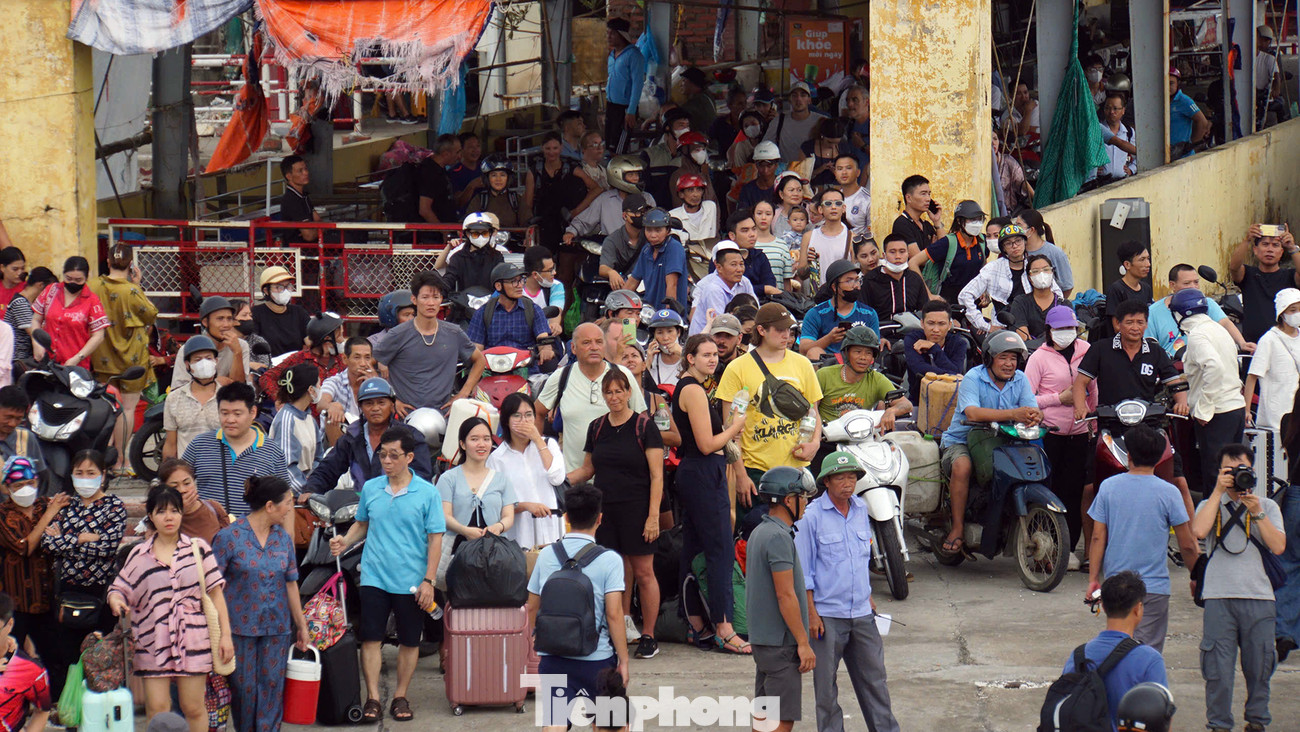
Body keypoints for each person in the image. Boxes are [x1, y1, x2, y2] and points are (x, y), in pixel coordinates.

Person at [329, 428, 444, 723]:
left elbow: (435, 539)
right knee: (370, 638)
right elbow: (362, 523)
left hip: (411, 580)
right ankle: (373, 698)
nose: (387, 461)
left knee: (409, 641)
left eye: (394, 455)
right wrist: (345, 541)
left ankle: (400, 695)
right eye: (383, 454)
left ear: (409, 457)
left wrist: (428, 581)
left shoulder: (428, 493)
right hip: (374, 576)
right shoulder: (372, 488)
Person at [108, 484, 233, 732]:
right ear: (151, 516)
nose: (169, 517)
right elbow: (118, 588)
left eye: (174, 511)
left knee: (194, 707)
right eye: (161, 511)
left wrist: (226, 636)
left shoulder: (198, 549)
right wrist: (116, 600)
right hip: (151, 640)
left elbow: (216, 594)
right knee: (157, 708)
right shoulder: (139, 555)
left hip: (194, 638)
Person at [795, 452, 900, 732]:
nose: (847, 483)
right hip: (827, 617)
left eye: (852, 477)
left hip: (863, 614)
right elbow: (804, 573)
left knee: (875, 682)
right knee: (826, 692)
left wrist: (867, 595)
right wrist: (812, 615)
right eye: (840, 477)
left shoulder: (860, 509)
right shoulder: (811, 517)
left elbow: (860, 557)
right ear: (826, 481)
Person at [566, 369, 664, 660]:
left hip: (638, 509)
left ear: (628, 392)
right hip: (605, 512)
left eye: (619, 391)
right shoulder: (597, 427)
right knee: (612, 574)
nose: (614, 397)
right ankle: (615, 630)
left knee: (645, 573)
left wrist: (653, 516)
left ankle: (649, 634)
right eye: (609, 392)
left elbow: (657, 476)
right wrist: (556, 480)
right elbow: (587, 470)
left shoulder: (644, 426)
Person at [1190, 444, 1286, 732]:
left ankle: (1257, 721)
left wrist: (1256, 511)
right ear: (1219, 473)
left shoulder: (1267, 506)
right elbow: (1198, 532)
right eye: (1228, 471)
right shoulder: (1209, 504)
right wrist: (1218, 492)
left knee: (1260, 666)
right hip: (1219, 596)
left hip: (1259, 597)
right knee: (1217, 668)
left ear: (1252, 471)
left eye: (1240, 470)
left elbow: (1279, 546)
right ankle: (1219, 724)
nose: (1235, 477)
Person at [1074, 299, 1194, 521]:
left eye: (1140, 322)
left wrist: (1182, 401)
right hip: (1110, 429)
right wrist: (1080, 407)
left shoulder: (1156, 352)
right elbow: (1080, 383)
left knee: (1179, 482)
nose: (1135, 327)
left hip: (1150, 429)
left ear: (1146, 324)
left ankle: (1192, 543)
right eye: (1129, 322)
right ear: (1118, 323)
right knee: (1091, 488)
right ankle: (1090, 551)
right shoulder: (1101, 348)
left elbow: (1176, 384)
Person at [1086, 423, 1198, 653]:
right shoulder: (1169, 492)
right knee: (1147, 652)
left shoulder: (1108, 487)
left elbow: (1098, 537)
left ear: (1128, 456)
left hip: (1116, 585)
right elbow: (1186, 544)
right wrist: (1196, 576)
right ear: (1159, 459)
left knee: (1117, 647)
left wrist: (1093, 579)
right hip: (1154, 587)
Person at [526, 483, 628, 732]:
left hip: (554, 658)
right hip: (598, 660)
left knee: (555, 722)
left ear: (567, 517)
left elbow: (531, 607)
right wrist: (623, 660)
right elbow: (614, 615)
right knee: (610, 724)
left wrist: (534, 643)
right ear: (600, 518)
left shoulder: (547, 555)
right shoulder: (610, 560)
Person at [212, 476, 311, 732]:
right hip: (239, 629)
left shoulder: (283, 539)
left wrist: (301, 624)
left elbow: (291, 582)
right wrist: (219, 632)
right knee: (244, 690)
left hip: (277, 627)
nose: (290, 508)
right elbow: (213, 587)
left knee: (272, 685)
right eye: (287, 503)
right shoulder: (228, 537)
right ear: (270, 506)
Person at [672, 335, 749, 652]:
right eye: (704, 354)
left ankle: (695, 624)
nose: (713, 359)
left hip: (699, 473)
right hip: (702, 472)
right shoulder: (692, 390)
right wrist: (734, 428)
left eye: (715, 354)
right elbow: (706, 444)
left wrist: (728, 427)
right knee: (719, 550)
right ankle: (725, 627)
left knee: (693, 548)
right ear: (689, 358)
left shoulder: (694, 389)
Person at [940, 331, 1041, 555]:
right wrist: (1014, 413)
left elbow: (1032, 409)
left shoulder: (1021, 379)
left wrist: (1035, 416)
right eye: (1003, 357)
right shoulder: (973, 377)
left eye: (1013, 359)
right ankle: (957, 528)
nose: (1009, 364)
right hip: (962, 440)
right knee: (962, 466)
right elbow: (973, 413)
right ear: (989, 358)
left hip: (1004, 440)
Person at [717, 303, 823, 503]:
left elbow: (814, 411)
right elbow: (730, 429)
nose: (787, 336)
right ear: (761, 330)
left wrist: (815, 443)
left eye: (789, 330)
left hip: (797, 465)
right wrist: (740, 474)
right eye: (780, 330)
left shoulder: (802, 364)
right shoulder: (737, 368)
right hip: (756, 469)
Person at [746, 466, 817, 732]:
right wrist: (803, 643)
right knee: (780, 721)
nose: (806, 502)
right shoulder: (778, 537)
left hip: (765, 643)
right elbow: (785, 595)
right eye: (803, 497)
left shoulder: (760, 532)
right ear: (789, 500)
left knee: (765, 717)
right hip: (781, 645)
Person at [1026, 306, 1097, 562]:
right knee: (1049, 490)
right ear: (1049, 331)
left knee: (1075, 492)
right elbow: (1027, 399)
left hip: (1080, 434)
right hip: (1050, 434)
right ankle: (1046, 549)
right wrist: (1059, 398)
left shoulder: (1086, 352)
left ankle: (1067, 550)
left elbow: (1094, 390)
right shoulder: (1038, 358)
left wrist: (1093, 422)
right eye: (1060, 329)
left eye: (1071, 328)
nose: (1067, 333)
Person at [1060, 571, 1169, 731]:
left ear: (1103, 606)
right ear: (1138, 609)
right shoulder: (1150, 660)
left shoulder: (1079, 655)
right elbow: (1162, 720)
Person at [538, 323, 647, 473]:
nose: (594, 347)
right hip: (574, 479)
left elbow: (642, 420)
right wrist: (539, 451)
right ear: (573, 348)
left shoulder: (623, 374)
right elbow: (537, 412)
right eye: (587, 342)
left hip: (618, 479)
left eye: (599, 342)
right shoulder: (561, 376)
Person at [373, 270, 485, 415]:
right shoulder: (398, 334)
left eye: (436, 297)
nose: (431, 303)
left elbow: (480, 360)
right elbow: (369, 364)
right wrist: (391, 400)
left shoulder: (454, 333)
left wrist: (463, 394)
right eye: (425, 297)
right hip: (406, 417)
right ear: (414, 299)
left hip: (443, 414)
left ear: (441, 299)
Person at [88, 244, 157, 469]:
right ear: (131, 265)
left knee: (105, 407)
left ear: (107, 262)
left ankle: (102, 459)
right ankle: (121, 459)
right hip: (133, 359)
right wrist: (136, 284)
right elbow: (150, 314)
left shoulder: (93, 286)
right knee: (127, 409)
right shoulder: (132, 291)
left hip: (101, 355)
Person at [1172, 288, 1247, 488]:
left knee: (1216, 477)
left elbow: (1214, 366)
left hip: (1218, 414)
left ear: (1179, 314)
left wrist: (1204, 407)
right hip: (1235, 409)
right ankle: (1233, 518)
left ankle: (1214, 519)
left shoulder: (1197, 335)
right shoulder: (1218, 329)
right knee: (1232, 474)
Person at [182, 383, 291, 517]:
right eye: (224, 413)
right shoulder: (199, 445)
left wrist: (288, 536)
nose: (230, 420)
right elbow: (177, 482)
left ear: (253, 412)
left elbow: (286, 499)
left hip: (253, 535)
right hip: (207, 533)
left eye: (237, 414)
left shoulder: (272, 451)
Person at [0, 457, 60, 698]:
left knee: (55, 657)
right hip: (17, 601)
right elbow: (24, 546)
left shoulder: (47, 505)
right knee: (9, 656)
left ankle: (53, 704)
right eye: (17, 485)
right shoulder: (4, 515)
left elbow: (62, 536)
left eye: (28, 482)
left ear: (36, 481)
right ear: (7, 488)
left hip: (47, 598)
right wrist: (49, 517)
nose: (24, 489)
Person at [487, 393, 564, 548]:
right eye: (517, 416)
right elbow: (495, 504)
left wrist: (537, 439)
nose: (524, 421)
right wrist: (526, 506)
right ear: (506, 421)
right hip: (520, 537)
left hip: (553, 532)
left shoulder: (549, 445)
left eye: (529, 415)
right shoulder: (497, 458)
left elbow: (556, 478)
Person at [1146, 264, 1253, 357]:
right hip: (1173, 371)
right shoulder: (1153, 312)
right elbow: (1149, 345)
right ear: (1172, 285)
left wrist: (1242, 343)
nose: (1193, 287)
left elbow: (1224, 323)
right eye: (1187, 283)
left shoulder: (1207, 304)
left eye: (1196, 282)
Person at [1244, 289, 1300, 460]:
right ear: (1282, 314)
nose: (1297, 314)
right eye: (1292, 310)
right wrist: (1246, 410)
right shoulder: (1269, 340)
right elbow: (1253, 376)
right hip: (1276, 417)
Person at [467, 262, 554, 367]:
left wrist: (546, 350)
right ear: (499, 286)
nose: (520, 285)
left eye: (521, 280)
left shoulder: (533, 309)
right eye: (514, 281)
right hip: (492, 372)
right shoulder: (483, 312)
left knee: (543, 381)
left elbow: (543, 339)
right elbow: (476, 349)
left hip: (526, 370)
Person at [955, 223, 1038, 334]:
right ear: (1003, 248)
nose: (1014, 246)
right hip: (1003, 329)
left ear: (1025, 242)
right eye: (1008, 243)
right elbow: (965, 295)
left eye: (1018, 241)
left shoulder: (1036, 265)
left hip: (1035, 327)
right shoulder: (992, 269)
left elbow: (1055, 294)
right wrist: (984, 326)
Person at [29, 256, 108, 370]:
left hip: (75, 365)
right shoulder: (51, 291)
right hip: (46, 362)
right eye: (69, 278)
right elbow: (36, 319)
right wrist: (36, 343)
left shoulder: (92, 300)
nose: (73, 283)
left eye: (78, 280)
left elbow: (99, 335)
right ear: (63, 275)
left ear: (86, 278)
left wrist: (77, 358)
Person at [564, 157, 656, 252]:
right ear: (617, 175)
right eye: (631, 174)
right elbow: (584, 221)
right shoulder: (605, 199)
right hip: (612, 251)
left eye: (637, 174)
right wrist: (571, 232)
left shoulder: (647, 198)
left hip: (641, 251)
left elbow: (656, 223)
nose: (636, 178)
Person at [1229, 223, 1300, 343]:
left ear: (1281, 252)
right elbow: (1234, 267)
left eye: (1275, 245)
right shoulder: (1248, 274)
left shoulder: (1290, 276)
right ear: (1255, 250)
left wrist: (1292, 248)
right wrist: (1247, 240)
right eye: (1265, 244)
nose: (1270, 249)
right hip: (1253, 346)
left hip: (1284, 344)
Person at [799, 260, 881, 360]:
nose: (856, 285)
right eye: (849, 281)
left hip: (859, 363)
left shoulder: (869, 314)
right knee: (814, 352)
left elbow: (875, 348)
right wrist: (829, 339)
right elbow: (803, 349)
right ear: (834, 287)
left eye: (857, 280)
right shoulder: (816, 313)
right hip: (828, 364)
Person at [910, 200, 988, 304]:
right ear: (959, 221)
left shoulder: (982, 242)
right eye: (972, 220)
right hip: (948, 306)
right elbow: (913, 263)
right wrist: (928, 294)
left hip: (973, 305)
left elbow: (983, 267)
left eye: (979, 219)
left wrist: (985, 291)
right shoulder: (947, 243)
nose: (977, 223)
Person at [257, 313, 346, 401]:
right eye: (339, 336)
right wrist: (280, 399)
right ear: (327, 339)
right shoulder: (299, 359)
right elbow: (266, 378)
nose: (342, 340)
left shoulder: (343, 360)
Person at [162, 336, 222, 461]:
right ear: (187, 365)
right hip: (187, 473)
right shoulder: (174, 398)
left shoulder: (228, 397)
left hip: (221, 473)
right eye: (198, 359)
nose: (204, 363)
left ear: (216, 361)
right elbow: (170, 444)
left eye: (208, 358)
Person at [268, 363, 325, 491]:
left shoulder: (309, 418)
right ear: (311, 390)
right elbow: (284, 468)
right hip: (292, 495)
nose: (320, 388)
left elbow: (318, 458)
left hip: (309, 489)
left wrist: (316, 484)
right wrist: (306, 492)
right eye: (318, 384)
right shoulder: (286, 420)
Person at [174, 296, 249, 390]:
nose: (226, 325)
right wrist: (215, 384)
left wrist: (237, 353)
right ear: (205, 322)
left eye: (229, 319)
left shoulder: (241, 345)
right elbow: (178, 391)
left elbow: (239, 388)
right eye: (220, 319)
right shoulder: (189, 348)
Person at [526, 132, 584, 248]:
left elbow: (596, 188)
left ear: (561, 148)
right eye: (548, 148)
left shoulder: (572, 168)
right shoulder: (534, 172)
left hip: (566, 224)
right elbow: (528, 204)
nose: (552, 152)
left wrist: (577, 210)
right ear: (542, 148)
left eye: (555, 148)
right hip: (542, 225)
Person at [904, 299, 968, 402]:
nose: (936, 329)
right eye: (931, 323)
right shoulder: (912, 340)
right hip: (918, 399)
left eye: (941, 324)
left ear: (949, 325)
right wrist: (950, 375)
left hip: (951, 400)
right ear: (922, 323)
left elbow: (956, 371)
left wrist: (934, 348)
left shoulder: (959, 343)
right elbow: (919, 368)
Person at [625, 208, 688, 310]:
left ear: (668, 230)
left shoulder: (674, 248)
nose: (653, 235)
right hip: (647, 312)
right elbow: (632, 282)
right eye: (649, 230)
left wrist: (668, 315)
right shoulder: (646, 250)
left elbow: (672, 284)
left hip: (667, 315)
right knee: (626, 323)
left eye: (658, 230)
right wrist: (616, 306)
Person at [157, 459, 231, 544]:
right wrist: (180, 511)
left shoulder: (214, 508)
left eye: (187, 483)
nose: (182, 490)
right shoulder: (161, 516)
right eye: (174, 487)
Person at [319, 336, 376, 445]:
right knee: (332, 417)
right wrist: (332, 406)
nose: (363, 363)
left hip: (366, 440)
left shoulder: (374, 382)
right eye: (357, 357)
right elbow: (321, 402)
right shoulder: (335, 382)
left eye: (367, 357)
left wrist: (372, 388)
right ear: (345, 359)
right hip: (337, 442)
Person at [604, 18, 646, 152]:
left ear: (622, 35)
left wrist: (631, 111)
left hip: (625, 108)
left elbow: (637, 84)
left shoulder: (634, 55)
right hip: (611, 105)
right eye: (608, 33)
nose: (609, 37)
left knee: (619, 147)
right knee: (609, 144)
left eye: (613, 33)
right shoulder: (612, 55)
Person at [250, 266, 311, 357]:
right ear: (266, 291)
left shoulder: (299, 312)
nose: (285, 291)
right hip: (268, 366)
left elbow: (310, 341)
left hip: (294, 365)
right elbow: (252, 346)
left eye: (288, 286)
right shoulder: (256, 313)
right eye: (279, 287)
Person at [864, 233, 927, 320]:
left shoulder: (915, 279)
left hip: (912, 330)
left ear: (908, 254)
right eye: (892, 252)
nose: (898, 257)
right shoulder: (870, 280)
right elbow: (864, 313)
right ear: (884, 255)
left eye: (902, 252)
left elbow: (925, 310)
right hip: (880, 331)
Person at [1014, 209, 1075, 298]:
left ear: (1031, 230)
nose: (1015, 230)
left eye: (1019, 226)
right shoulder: (1016, 252)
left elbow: (1067, 286)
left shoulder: (1055, 253)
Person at [1007, 254, 1067, 341]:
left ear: (1052, 273)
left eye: (1046, 270)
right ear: (1029, 278)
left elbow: (1066, 335)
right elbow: (1024, 336)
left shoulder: (1063, 304)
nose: (1042, 274)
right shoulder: (1020, 302)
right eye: (1035, 271)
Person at [763, 81, 826, 161]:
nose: (798, 99)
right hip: (786, 171)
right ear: (789, 100)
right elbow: (765, 147)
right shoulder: (778, 121)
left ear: (809, 100)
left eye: (803, 95)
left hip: (814, 172)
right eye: (794, 95)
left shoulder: (821, 121)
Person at [4, 266, 55, 363]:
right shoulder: (20, 303)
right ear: (40, 285)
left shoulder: (30, 303)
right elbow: (34, 333)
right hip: (17, 360)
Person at [468, 155, 532, 230]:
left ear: (508, 178)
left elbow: (527, 223)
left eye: (502, 175)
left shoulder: (515, 199)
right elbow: (468, 222)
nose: (498, 179)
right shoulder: (480, 199)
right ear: (487, 178)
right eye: (494, 175)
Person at [890, 175, 942, 256]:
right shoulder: (902, 224)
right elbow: (918, 258)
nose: (928, 199)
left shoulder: (926, 225)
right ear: (908, 198)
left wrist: (937, 221)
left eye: (929, 194)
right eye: (923, 194)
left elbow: (946, 251)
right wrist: (934, 249)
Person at [1092, 92, 1137, 184]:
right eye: (1107, 108)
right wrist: (1093, 169)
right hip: (1100, 183)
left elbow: (1139, 155)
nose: (1111, 112)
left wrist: (1131, 169)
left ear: (1123, 110)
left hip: (1122, 181)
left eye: (1115, 108)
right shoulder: (1097, 130)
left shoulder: (1129, 133)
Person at [1106, 241, 1154, 326]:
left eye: (1148, 258)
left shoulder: (1146, 288)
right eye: (1142, 260)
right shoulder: (1116, 290)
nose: (1148, 264)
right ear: (1127, 264)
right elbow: (1117, 326)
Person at [416, 134, 461, 225]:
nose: (459, 156)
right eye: (457, 152)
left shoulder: (441, 169)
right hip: (434, 235)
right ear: (445, 154)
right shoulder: (429, 173)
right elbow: (424, 210)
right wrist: (443, 231)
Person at [668, 131, 719, 209]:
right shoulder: (677, 176)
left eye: (703, 149)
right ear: (685, 151)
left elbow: (713, 200)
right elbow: (679, 207)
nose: (702, 153)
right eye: (697, 150)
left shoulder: (704, 173)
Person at [277, 155, 320, 244]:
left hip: (312, 246)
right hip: (299, 251)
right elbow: (309, 235)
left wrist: (316, 229)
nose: (305, 173)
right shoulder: (291, 200)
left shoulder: (303, 196)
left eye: (306, 169)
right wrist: (320, 229)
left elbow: (318, 220)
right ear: (289, 176)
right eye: (300, 171)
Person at [1168, 67, 1210, 157]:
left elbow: (1202, 122)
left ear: (1177, 84)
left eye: (1171, 83)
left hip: (1182, 156)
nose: (1167, 87)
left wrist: (1191, 145)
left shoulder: (1184, 101)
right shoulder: (1157, 102)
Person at [669, 174, 717, 244]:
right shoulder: (673, 215)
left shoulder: (710, 207)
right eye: (690, 190)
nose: (696, 194)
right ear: (681, 194)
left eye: (699, 190)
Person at [736, 141, 782, 211]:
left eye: (769, 165)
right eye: (761, 165)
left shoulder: (783, 187)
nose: (765, 170)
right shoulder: (747, 190)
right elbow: (742, 215)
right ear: (756, 165)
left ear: (776, 165)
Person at [231, 299, 271, 375]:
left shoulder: (257, 341)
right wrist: (249, 365)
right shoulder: (222, 341)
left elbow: (264, 366)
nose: (250, 319)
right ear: (232, 320)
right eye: (244, 315)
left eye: (250, 315)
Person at [677, 67, 717, 134]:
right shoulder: (706, 95)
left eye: (684, 80)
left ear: (692, 83)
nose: (681, 84)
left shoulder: (696, 103)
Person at [771, 172, 807, 240]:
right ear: (781, 194)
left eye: (799, 190)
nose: (796, 193)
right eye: (791, 190)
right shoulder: (774, 215)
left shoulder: (809, 211)